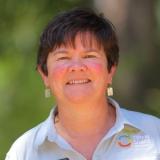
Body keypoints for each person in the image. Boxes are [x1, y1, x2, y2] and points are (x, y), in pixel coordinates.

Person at [5, 8, 160, 160]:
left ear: (111, 70)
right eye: (63, 58)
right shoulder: (24, 152)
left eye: (89, 55)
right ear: (44, 74)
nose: (77, 66)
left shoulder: (154, 134)